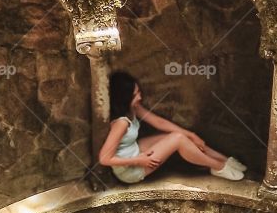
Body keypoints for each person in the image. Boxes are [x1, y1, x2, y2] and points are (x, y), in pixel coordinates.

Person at [99, 70, 247, 184]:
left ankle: (224, 159)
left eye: (138, 92)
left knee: (181, 136)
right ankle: (218, 167)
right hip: (130, 170)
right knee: (178, 139)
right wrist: (138, 161)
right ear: (125, 98)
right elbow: (105, 159)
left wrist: (191, 134)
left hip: (134, 152)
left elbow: (159, 122)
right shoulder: (121, 123)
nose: (140, 97)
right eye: (135, 94)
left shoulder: (133, 108)